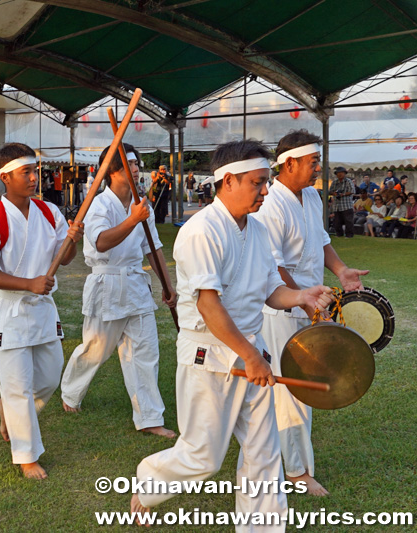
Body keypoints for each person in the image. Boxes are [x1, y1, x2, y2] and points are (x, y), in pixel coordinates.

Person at [131, 140, 334, 531]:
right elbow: (209, 307)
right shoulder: (200, 232)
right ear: (227, 181)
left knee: (263, 451)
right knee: (202, 457)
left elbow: (270, 289)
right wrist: (251, 356)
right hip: (210, 357)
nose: (265, 191)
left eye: (266, 182)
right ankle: (148, 482)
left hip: (251, 352)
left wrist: (302, 296)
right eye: (257, 183)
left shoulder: (256, 230)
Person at [254, 130, 368, 497]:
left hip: (309, 301)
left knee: (290, 385)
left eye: (318, 161)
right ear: (289, 164)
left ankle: (276, 457)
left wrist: (341, 271)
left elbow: (321, 241)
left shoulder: (310, 195)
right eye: (313, 162)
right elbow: (274, 267)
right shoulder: (271, 204)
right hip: (283, 307)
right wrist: (301, 297)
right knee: (295, 388)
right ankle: (297, 473)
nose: (319, 168)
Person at [0, 142, 84, 480]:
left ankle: (8, 406)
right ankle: (26, 456)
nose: (35, 178)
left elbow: (63, 258)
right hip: (7, 312)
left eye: (36, 171)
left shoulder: (48, 211)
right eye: (27, 172)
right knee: (18, 386)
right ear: (5, 176)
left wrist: (72, 240)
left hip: (41, 309)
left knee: (49, 378)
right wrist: (28, 283)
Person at [59, 144, 177, 437]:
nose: (137, 169)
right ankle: (70, 393)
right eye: (130, 165)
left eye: (138, 164)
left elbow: (152, 247)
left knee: (145, 353)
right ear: (111, 172)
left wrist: (167, 285)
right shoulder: (99, 205)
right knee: (95, 350)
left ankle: (149, 418)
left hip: (136, 284)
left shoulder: (141, 205)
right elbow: (100, 242)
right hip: (106, 283)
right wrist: (133, 219)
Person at [329, 167, 355, 238]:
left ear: (344, 174)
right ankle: (339, 234)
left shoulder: (348, 181)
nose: (339, 175)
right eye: (338, 173)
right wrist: (334, 193)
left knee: (348, 221)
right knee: (337, 221)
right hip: (337, 205)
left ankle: (349, 235)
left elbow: (352, 191)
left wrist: (342, 194)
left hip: (346, 205)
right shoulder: (335, 182)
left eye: (341, 173)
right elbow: (330, 191)